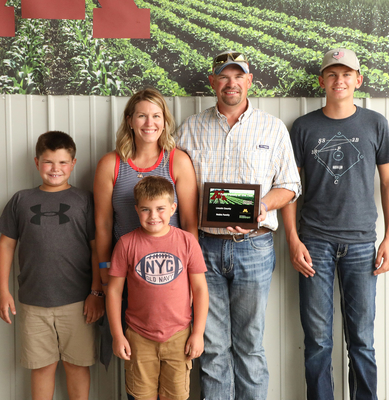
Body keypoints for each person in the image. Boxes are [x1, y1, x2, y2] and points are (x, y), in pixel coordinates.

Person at [176, 51, 301, 400]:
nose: (231, 83)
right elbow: (174, 185)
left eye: (238, 76)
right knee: (213, 347)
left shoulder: (272, 128)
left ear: (249, 81)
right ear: (213, 82)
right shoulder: (189, 129)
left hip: (256, 248)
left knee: (250, 344)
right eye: (224, 76)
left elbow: (291, 186)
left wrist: (261, 207)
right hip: (203, 247)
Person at [281, 48, 389, 400]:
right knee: (317, 340)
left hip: (363, 243)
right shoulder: (303, 127)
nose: (339, 80)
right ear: (322, 81)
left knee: (361, 339)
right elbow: (290, 188)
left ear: (358, 80)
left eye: (347, 74)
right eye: (332, 74)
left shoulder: (376, 123)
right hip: (313, 242)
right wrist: (292, 239)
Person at [93, 87, 198, 368]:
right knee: (137, 359)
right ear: (129, 120)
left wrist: (190, 274)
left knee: (174, 357)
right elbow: (103, 225)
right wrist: (104, 274)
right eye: (141, 116)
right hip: (125, 273)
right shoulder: (110, 164)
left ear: (164, 121)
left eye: (156, 116)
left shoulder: (177, 160)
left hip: (170, 275)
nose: (149, 123)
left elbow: (189, 223)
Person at [0, 131, 104, 400]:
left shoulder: (85, 201)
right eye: (48, 162)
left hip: (78, 303)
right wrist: (3, 289)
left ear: (73, 163)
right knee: (42, 367)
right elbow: (6, 245)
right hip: (34, 303)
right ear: (36, 163)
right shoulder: (20, 201)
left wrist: (96, 293)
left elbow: (96, 249)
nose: (55, 169)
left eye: (62, 162)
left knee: (77, 365)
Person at [107, 176, 209, 400]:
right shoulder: (126, 244)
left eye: (160, 209)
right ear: (136, 210)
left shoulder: (187, 241)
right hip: (138, 337)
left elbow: (200, 289)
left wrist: (198, 333)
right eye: (146, 209)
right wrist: (117, 334)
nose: (153, 216)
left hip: (179, 337)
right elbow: (114, 291)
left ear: (173, 208)